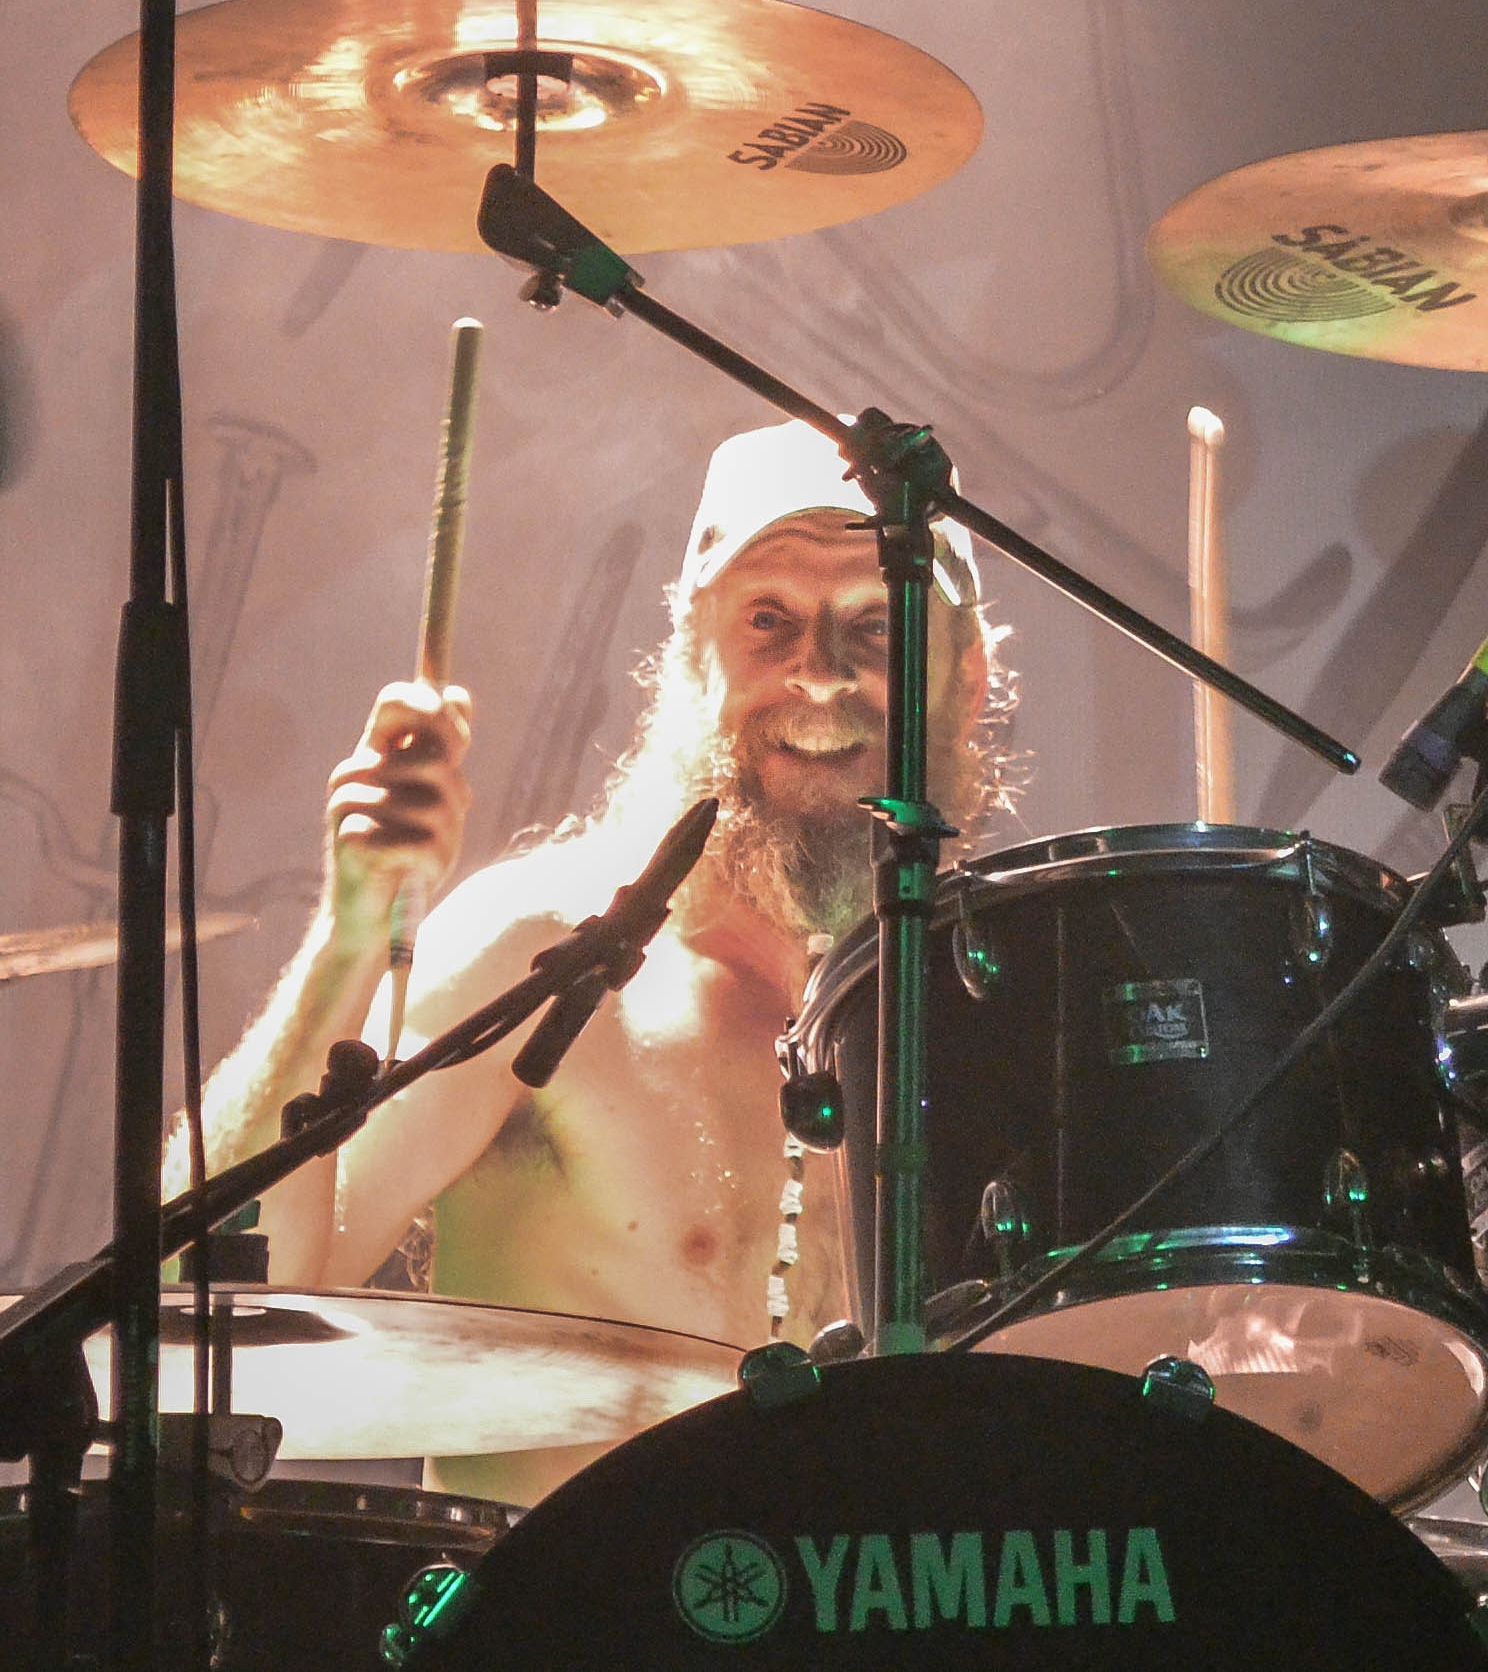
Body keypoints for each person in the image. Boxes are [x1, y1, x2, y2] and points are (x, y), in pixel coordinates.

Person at [167, 420, 1006, 1503]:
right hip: (562, 1599)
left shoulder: (995, 1012)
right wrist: (348, 938)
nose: (819, 675)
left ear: (966, 679)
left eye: (877, 625)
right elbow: (207, 1302)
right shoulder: (541, 952)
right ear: (692, 653)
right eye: (769, 620)